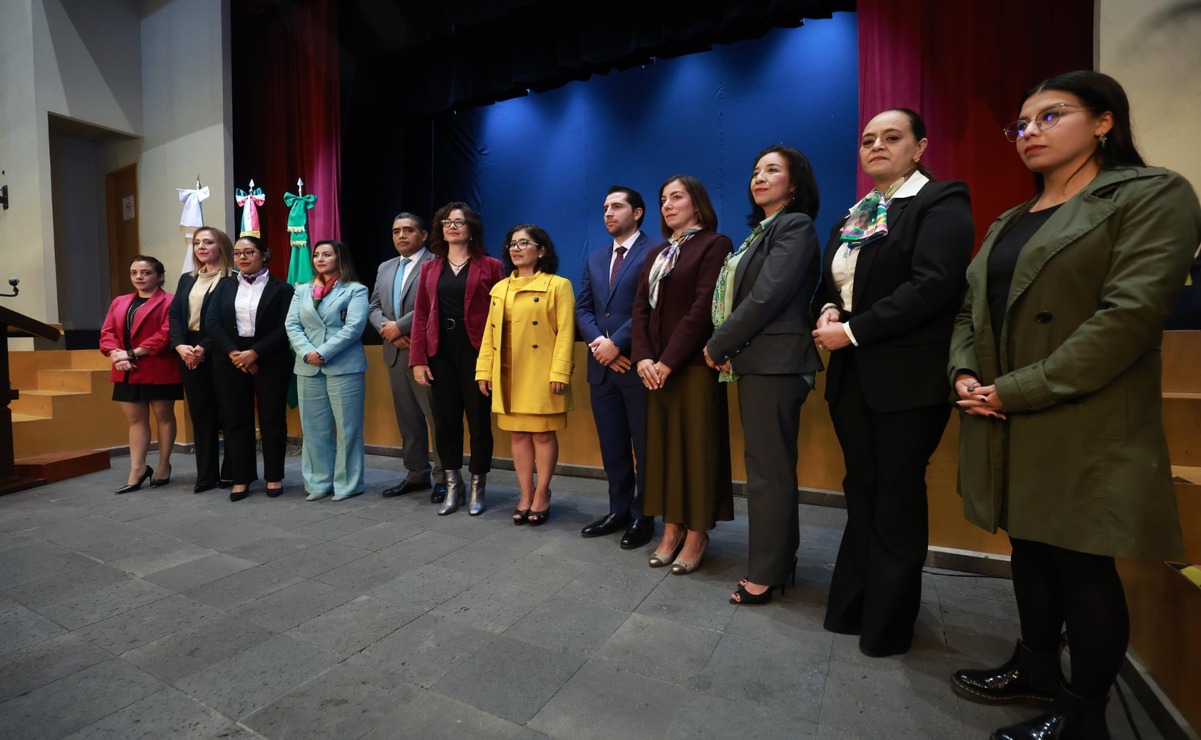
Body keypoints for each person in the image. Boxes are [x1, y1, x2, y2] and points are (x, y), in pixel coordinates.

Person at [948, 71, 1201, 740]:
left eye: (1048, 116)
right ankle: (1033, 668)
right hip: (1003, 412)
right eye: (1020, 124)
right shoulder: (1009, 218)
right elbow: (970, 311)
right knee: (1029, 546)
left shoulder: (1152, 194)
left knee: (1082, 562)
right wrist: (964, 373)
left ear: (1103, 122)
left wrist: (1015, 388)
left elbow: (1126, 319)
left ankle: (1084, 713)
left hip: (1084, 414)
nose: (1027, 131)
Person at [811, 109, 975, 655]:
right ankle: (851, 608)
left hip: (908, 377)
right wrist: (831, 310)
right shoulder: (854, 215)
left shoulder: (940, 201)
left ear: (920, 146)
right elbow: (828, 286)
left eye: (892, 137)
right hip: (853, 376)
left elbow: (934, 286)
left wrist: (854, 330)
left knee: (897, 495)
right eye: (867, 139)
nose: (876, 145)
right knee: (862, 488)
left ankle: (888, 627)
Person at [704, 145, 823, 605]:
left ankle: (766, 572)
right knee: (768, 470)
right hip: (759, 362)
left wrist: (719, 343)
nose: (760, 177)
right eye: (756, 170)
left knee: (767, 474)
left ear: (794, 185)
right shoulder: (760, 233)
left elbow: (767, 296)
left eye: (772, 170)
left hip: (777, 363)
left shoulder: (794, 225)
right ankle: (778, 561)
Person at [631, 175, 733, 574]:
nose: (668, 205)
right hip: (654, 370)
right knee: (662, 453)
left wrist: (667, 361)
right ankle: (670, 529)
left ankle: (696, 533)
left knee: (696, 453)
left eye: (677, 197)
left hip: (689, 367)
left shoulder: (714, 244)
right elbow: (640, 309)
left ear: (697, 203)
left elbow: (702, 309)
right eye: (663, 199)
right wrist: (642, 358)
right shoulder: (657, 252)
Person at [476, 225, 575, 525]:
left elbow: (566, 333)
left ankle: (542, 492)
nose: (516, 248)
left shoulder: (558, 285)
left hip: (542, 371)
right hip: (508, 372)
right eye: (512, 244)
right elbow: (489, 335)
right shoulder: (500, 288)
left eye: (524, 243)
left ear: (541, 250)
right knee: (518, 434)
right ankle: (525, 492)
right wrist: (484, 369)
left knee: (543, 434)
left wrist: (560, 370)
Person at [410, 202, 505, 515]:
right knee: (445, 421)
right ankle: (454, 484)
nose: (452, 226)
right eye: (447, 222)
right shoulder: (430, 267)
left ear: (471, 228)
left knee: (478, 422)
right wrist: (419, 359)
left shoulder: (490, 266)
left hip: (477, 351)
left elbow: (499, 314)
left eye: (459, 222)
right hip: (440, 350)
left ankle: (478, 485)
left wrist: (494, 360)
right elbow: (422, 314)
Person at [576, 186, 656, 548]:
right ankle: (618, 509)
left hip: (636, 364)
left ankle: (644, 516)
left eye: (617, 206)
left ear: (637, 212)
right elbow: (583, 309)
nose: (608, 212)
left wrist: (617, 344)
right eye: (605, 207)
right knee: (613, 446)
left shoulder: (655, 251)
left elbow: (653, 307)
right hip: (602, 367)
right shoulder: (594, 258)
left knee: (645, 445)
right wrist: (599, 345)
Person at [206, 236, 295, 502]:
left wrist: (255, 353)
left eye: (249, 252)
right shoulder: (223, 286)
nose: (242, 257)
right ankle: (242, 478)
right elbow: (212, 322)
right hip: (230, 358)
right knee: (235, 419)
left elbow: (285, 327)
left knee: (272, 418)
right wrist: (235, 353)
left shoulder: (282, 289)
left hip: (270, 358)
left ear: (263, 254)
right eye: (237, 253)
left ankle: (274, 476)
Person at [285, 239, 370, 501]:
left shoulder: (355, 290)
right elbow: (292, 324)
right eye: (317, 255)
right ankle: (318, 483)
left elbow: (354, 327)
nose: (320, 259)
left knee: (348, 428)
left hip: (343, 365)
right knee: (313, 429)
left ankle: (348, 484)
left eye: (327, 254)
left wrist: (323, 352)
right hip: (308, 365)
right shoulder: (302, 290)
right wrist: (308, 352)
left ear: (339, 258)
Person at [369, 213, 443, 501]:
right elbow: (374, 306)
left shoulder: (436, 263)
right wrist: (387, 331)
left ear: (424, 235)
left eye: (408, 230)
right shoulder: (386, 267)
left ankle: (444, 478)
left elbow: (434, 304)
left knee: (436, 419)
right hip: (396, 352)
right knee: (408, 420)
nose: (401, 235)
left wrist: (398, 327)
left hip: (426, 353)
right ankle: (416, 475)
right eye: (396, 230)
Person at [100, 256, 182, 493]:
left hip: (158, 367)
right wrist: (117, 354)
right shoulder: (120, 301)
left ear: (159, 276)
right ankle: (137, 469)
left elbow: (165, 334)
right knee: (135, 421)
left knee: (164, 417)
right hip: (125, 368)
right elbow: (107, 332)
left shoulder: (171, 301)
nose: (139, 277)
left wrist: (130, 354)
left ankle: (163, 466)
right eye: (134, 272)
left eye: (146, 273)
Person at [169, 226, 235, 493]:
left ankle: (230, 472)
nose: (202, 247)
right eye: (197, 243)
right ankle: (205, 476)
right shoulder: (187, 279)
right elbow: (175, 315)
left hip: (220, 350)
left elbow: (228, 321)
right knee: (201, 414)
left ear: (221, 246)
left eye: (208, 242)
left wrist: (203, 347)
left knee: (229, 413)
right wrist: (180, 346)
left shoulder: (233, 279)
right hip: (188, 352)